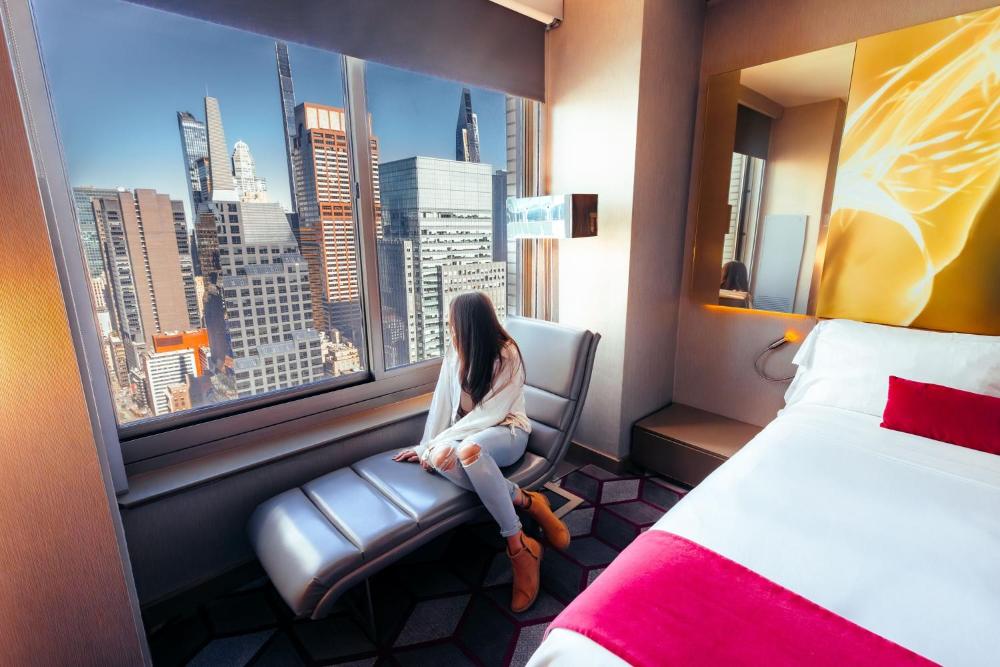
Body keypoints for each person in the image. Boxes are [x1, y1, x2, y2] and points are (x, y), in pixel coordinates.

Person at [393, 292, 570, 612]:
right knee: (442, 456)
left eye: (453, 324)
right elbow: (441, 405)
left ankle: (518, 548)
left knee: (468, 452)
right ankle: (528, 501)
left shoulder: (507, 354)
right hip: (464, 435)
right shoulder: (456, 353)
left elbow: (490, 414)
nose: (450, 330)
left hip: (507, 431)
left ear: (470, 325)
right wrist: (426, 447)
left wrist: (440, 444)